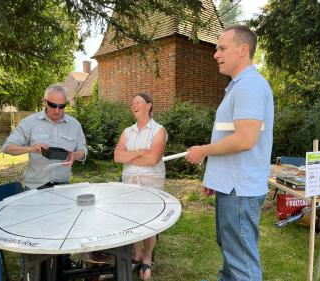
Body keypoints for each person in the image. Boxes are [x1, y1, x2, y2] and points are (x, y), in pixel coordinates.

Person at [185, 24, 274, 281]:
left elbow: (245, 140)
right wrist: (216, 178)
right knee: (231, 253)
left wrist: (203, 152)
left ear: (243, 50)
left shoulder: (249, 85)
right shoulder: (238, 86)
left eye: (222, 48)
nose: (216, 54)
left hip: (240, 190)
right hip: (232, 185)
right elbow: (231, 138)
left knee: (242, 263)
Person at [1, 84, 88, 279]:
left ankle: (63, 264)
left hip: (62, 188)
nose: (57, 110)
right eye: (53, 105)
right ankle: (30, 272)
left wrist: (76, 154)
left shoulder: (74, 124)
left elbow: (84, 149)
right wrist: (31, 149)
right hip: (35, 188)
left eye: (62, 106)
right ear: (44, 102)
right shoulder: (30, 123)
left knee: (64, 230)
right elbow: (7, 147)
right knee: (31, 235)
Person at [114, 93, 167, 280]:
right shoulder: (127, 132)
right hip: (129, 182)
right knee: (131, 219)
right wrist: (138, 152)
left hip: (151, 181)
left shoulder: (159, 131)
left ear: (148, 106)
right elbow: (117, 157)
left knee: (150, 221)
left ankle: (147, 259)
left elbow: (154, 159)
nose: (133, 105)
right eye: (132, 102)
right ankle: (136, 254)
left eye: (138, 102)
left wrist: (129, 155)